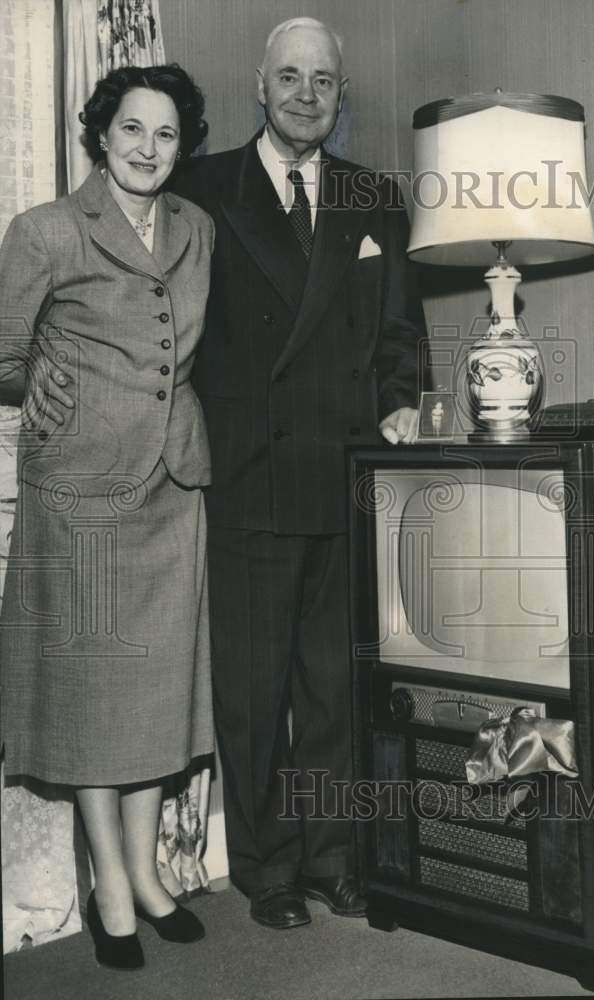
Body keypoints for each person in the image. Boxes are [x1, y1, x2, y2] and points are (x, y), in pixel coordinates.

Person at [174, 17, 425, 930]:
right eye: (290, 77)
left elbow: (401, 328)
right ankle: (267, 868)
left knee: (332, 686)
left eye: (323, 80)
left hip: (343, 468)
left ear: (341, 93)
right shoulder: (204, 187)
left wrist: (400, 404)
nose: (306, 94)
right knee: (252, 689)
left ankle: (331, 858)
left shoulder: (373, 195)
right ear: (260, 86)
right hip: (248, 473)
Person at [0, 64, 215, 970]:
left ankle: (146, 868)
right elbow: (4, 353)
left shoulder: (198, 230)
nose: (147, 149)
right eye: (132, 129)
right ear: (100, 133)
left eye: (166, 135)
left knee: (155, 690)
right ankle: (108, 888)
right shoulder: (45, 228)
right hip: (81, 487)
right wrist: (33, 373)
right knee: (94, 691)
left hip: (171, 484)